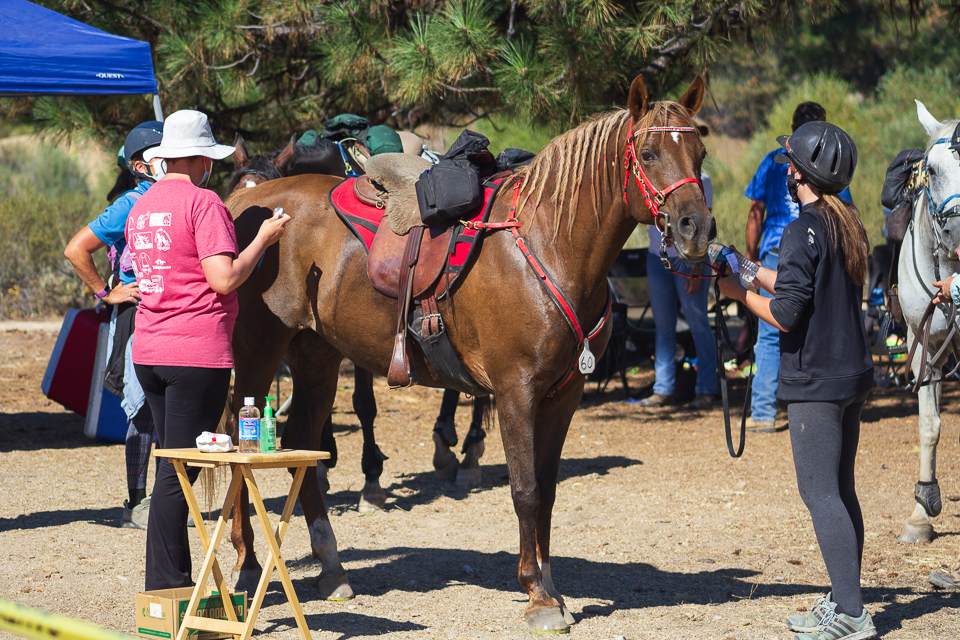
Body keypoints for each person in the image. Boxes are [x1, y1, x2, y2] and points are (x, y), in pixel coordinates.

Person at [719, 121, 875, 640]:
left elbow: (785, 313)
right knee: (841, 490)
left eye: (791, 164)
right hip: (850, 373)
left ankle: (852, 616)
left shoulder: (799, 228)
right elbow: (792, 281)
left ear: (801, 174)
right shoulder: (844, 219)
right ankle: (843, 597)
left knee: (820, 494)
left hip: (818, 380)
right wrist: (741, 268)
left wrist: (736, 295)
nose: (785, 170)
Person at [126, 109, 290, 590]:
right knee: (179, 475)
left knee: (172, 466)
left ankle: (167, 585)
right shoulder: (204, 204)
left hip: (150, 349)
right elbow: (223, 278)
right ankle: (167, 589)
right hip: (195, 352)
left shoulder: (141, 207)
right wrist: (262, 238)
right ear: (202, 160)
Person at [64, 121, 165, 530]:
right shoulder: (129, 204)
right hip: (137, 313)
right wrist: (107, 292)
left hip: (177, 313)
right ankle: (137, 503)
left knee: (171, 410)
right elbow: (77, 249)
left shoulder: (191, 199)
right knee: (141, 407)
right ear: (141, 166)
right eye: (165, 153)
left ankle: (165, 501)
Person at [743, 103, 853, 431]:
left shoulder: (770, 161)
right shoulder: (832, 161)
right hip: (821, 246)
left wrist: (751, 264)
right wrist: (747, 264)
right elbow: (840, 209)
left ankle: (764, 411)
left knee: (770, 333)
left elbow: (755, 212)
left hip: (779, 246)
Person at [639, 171, 718, 409]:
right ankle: (663, 388)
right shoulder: (656, 176)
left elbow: (704, 222)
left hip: (689, 259)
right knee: (663, 326)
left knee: (698, 323)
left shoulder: (702, 180)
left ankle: (706, 388)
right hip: (657, 257)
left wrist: (696, 267)